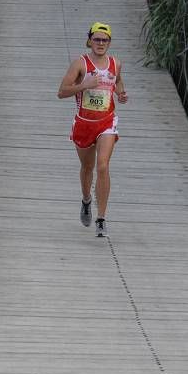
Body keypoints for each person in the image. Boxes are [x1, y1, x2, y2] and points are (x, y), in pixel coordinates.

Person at [57, 22, 128, 237]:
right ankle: (86, 200)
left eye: (104, 40)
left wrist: (122, 95)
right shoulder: (80, 64)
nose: (100, 43)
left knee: (103, 166)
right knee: (87, 168)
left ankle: (101, 218)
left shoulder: (116, 63)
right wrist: (84, 85)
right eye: (96, 39)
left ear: (109, 43)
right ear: (89, 41)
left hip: (106, 122)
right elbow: (61, 92)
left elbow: (119, 85)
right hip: (84, 123)